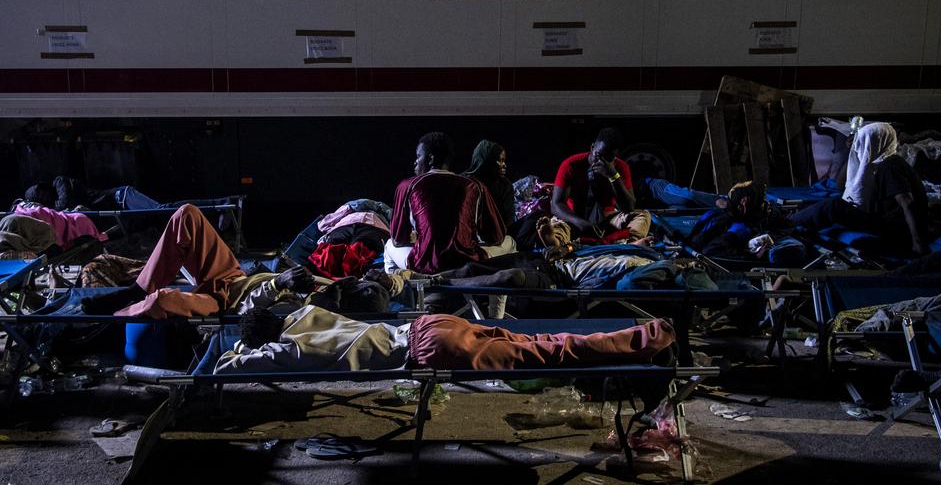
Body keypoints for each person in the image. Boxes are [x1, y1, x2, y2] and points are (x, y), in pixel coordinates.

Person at [216, 303, 676, 373]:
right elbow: (266, 302)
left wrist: (239, 352)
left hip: (429, 350)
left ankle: (650, 338)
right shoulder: (306, 313)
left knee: (548, 353)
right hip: (430, 323)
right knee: (541, 337)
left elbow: (231, 368)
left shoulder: (287, 347)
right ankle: (644, 334)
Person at [80, 204, 314, 317]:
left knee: (163, 300)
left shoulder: (301, 312)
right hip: (232, 277)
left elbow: (250, 313)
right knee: (186, 214)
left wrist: (277, 284)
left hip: (224, 305)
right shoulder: (322, 287)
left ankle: (113, 317)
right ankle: (137, 289)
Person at [384, 132, 515, 275]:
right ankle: (494, 294)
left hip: (425, 265)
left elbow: (397, 240)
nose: (415, 161)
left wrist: (417, 238)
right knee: (510, 242)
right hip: (468, 263)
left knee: (389, 245)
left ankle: (403, 291)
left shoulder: (407, 186)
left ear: (430, 158)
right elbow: (495, 237)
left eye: (418, 156)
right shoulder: (475, 186)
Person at [792, 122, 929, 256]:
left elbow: (907, 202)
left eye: (863, 142)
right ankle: (791, 222)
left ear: (874, 142)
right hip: (880, 217)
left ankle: (786, 225)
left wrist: (918, 243)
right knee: (829, 204)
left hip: (894, 229)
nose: (860, 146)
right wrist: (852, 153)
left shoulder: (891, 165)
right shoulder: (875, 163)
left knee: (834, 206)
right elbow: (841, 186)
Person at [547, 128, 650, 245]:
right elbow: (556, 204)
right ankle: (556, 241)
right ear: (592, 148)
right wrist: (580, 222)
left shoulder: (620, 168)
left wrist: (613, 176)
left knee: (643, 216)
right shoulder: (571, 164)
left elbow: (629, 207)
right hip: (575, 219)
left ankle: (630, 243)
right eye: (599, 155)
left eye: (609, 158)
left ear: (615, 156)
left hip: (606, 220)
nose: (602, 161)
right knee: (558, 224)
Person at [463, 139, 516, 227]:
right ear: (487, 161)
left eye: (504, 160)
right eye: (500, 160)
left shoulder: (505, 186)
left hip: (496, 235)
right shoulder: (465, 183)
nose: (504, 165)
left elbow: (507, 221)